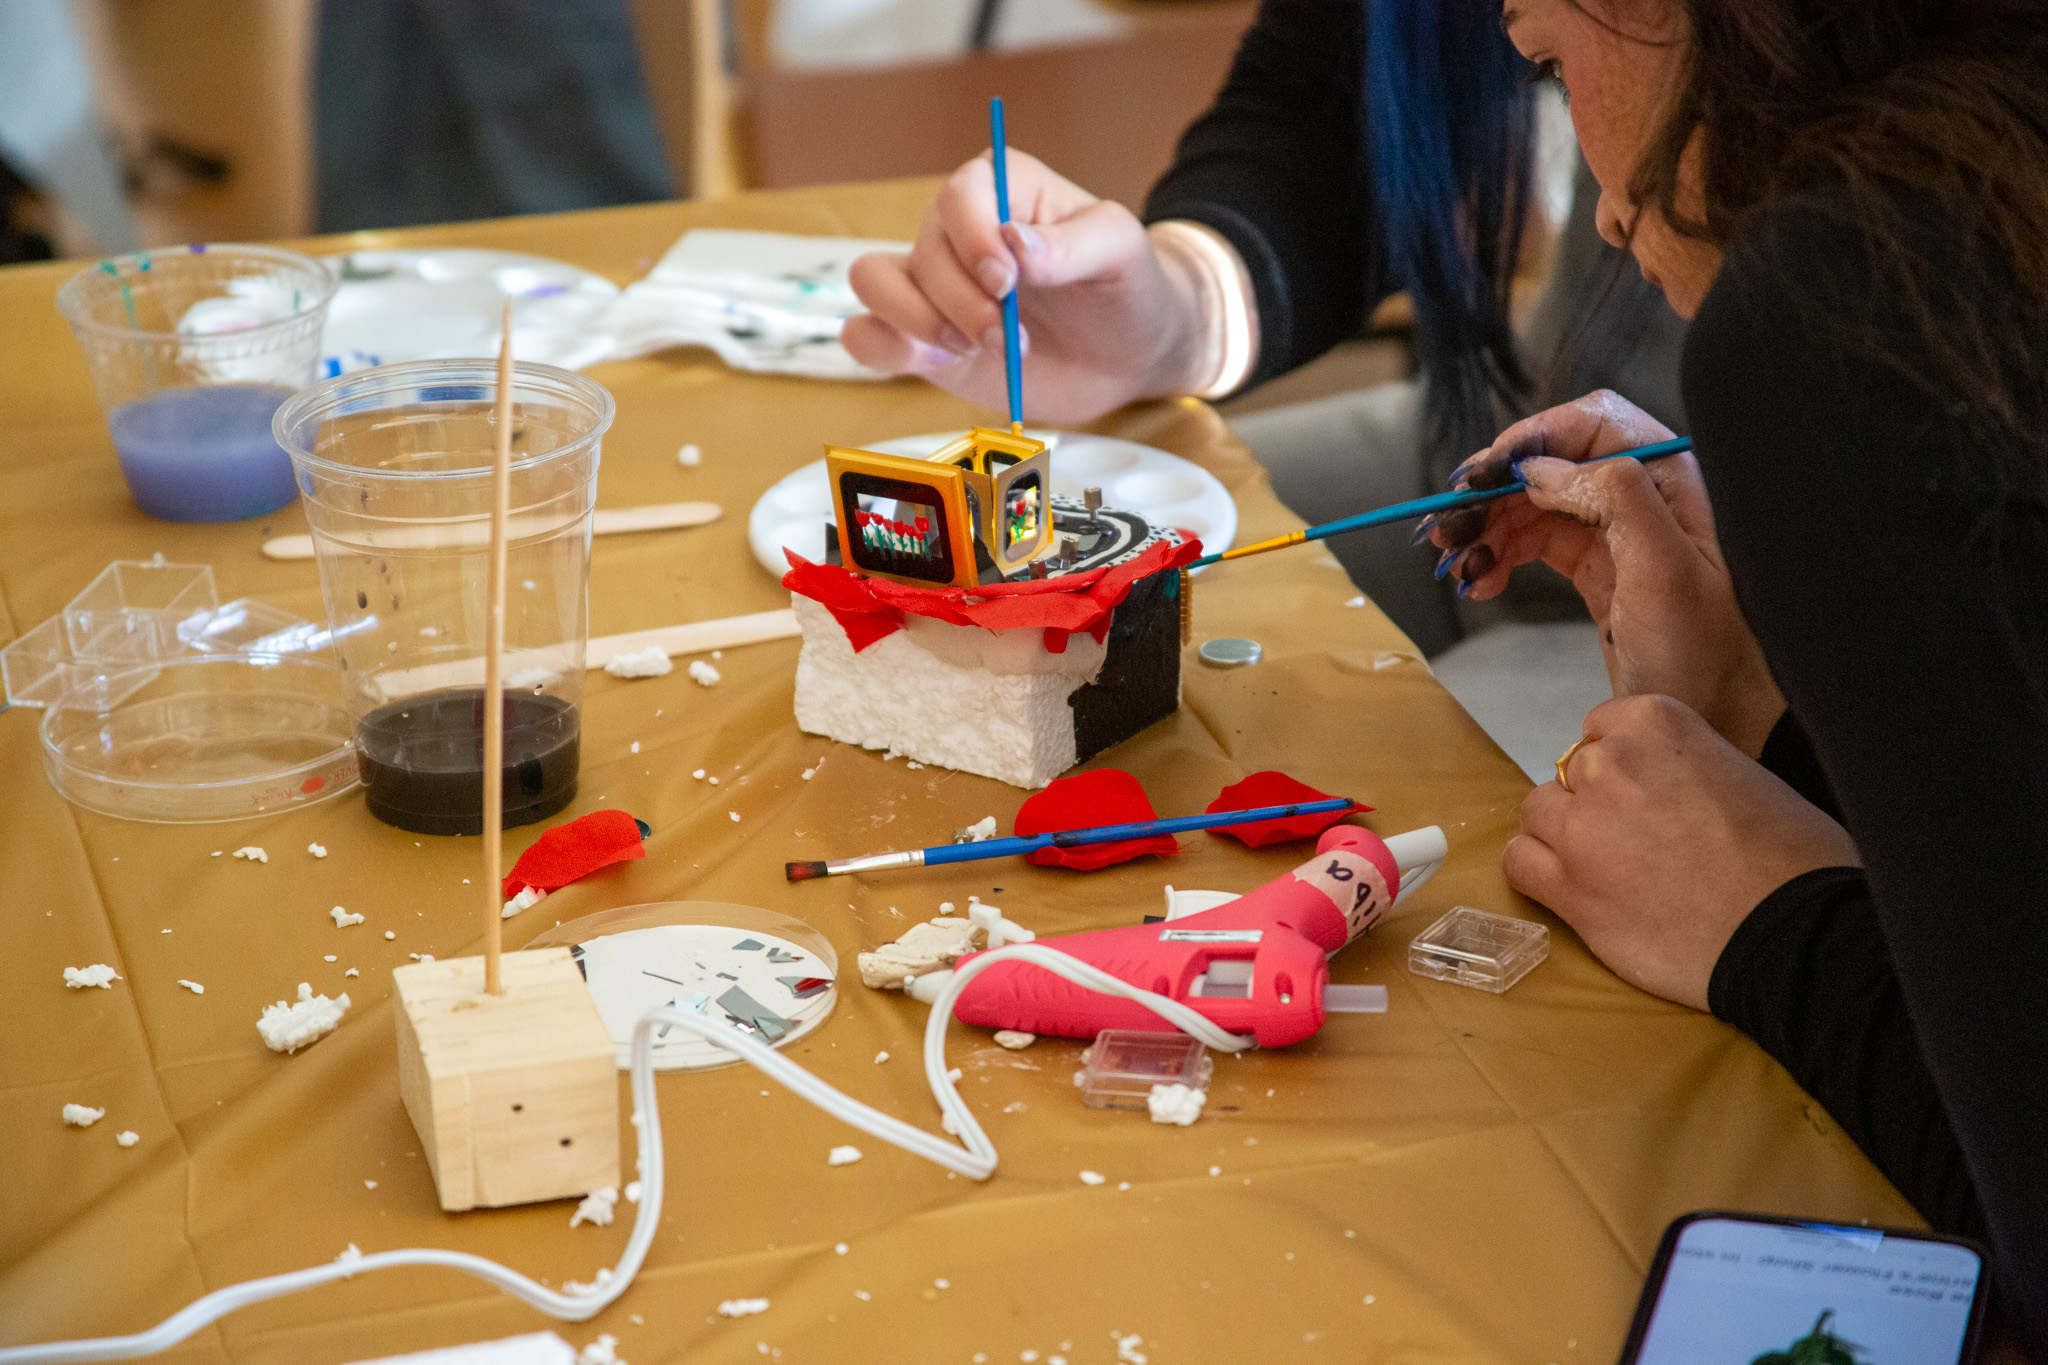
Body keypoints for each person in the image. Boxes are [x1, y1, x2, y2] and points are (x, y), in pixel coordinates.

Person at [1432, 0, 2047, 1344]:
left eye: (1548, 63)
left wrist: (1769, 922)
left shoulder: (1850, 307)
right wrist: (1766, 714)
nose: (1601, 214)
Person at [842, 0, 1689, 657]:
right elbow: (1342, 89)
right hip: (1520, 456)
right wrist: (1187, 303)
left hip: (1755, 626)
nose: (1618, 220)